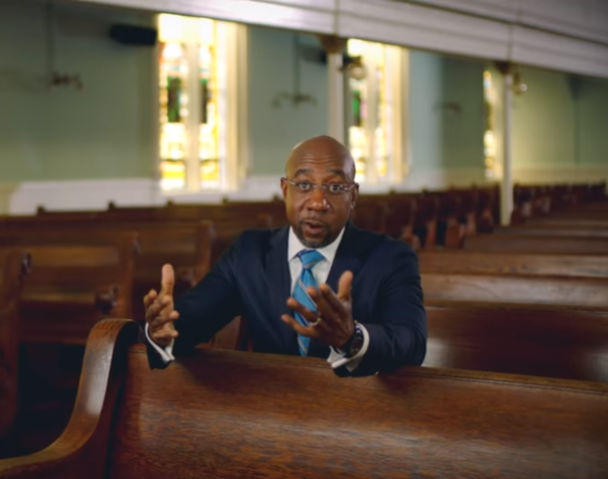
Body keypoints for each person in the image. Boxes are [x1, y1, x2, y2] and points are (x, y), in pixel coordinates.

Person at [143, 135, 427, 376]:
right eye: (304, 185)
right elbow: (192, 320)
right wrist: (162, 332)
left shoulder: (391, 257)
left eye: (336, 187)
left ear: (353, 196)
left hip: (353, 419)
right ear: (284, 190)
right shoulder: (249, 251)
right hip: (269, 411)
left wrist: (349, 338)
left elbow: (411, 344)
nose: (317, 202)